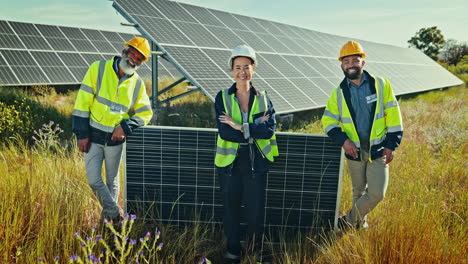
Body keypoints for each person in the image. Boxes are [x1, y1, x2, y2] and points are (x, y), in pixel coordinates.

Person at [321, 41, 403, 230]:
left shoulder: (381, 85)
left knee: (376, 194)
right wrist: (344, 141)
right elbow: (328, 121)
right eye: (346, 61)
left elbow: (393, 114)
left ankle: (347, 220)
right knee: (358, 191)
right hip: (354, 151)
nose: (351, 64)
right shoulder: (338, 93)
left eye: (355, 60)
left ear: (363, 63)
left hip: (379, 149)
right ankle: (359, 225)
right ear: (342, 65)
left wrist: (391, 144)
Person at [72, 37, 153, 223]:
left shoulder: (137, 83)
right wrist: (82, 134)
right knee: (93, 180)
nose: (134, 59)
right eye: (133, 53)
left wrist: (125, 126)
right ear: (125, 50)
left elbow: (145, 113)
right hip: (93, 136)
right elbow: (82, 103)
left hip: (116, 140)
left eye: (139, 58)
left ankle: (107, 224)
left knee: (112, 182)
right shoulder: (98, 68)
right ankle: (115, 213)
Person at [215, 44, 279, 264]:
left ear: (254, 69)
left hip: (256, 162)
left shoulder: (264, 98)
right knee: (231, 209)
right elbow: (225, 132)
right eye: (238, 67)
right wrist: (253, 128)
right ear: (232, 70)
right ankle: (232, 251)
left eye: (247, 66)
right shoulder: (222, 97)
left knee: (255, 212)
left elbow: (269, 129)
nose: (242, 72)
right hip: (229, 163)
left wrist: (240, 127)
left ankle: (256, 251)